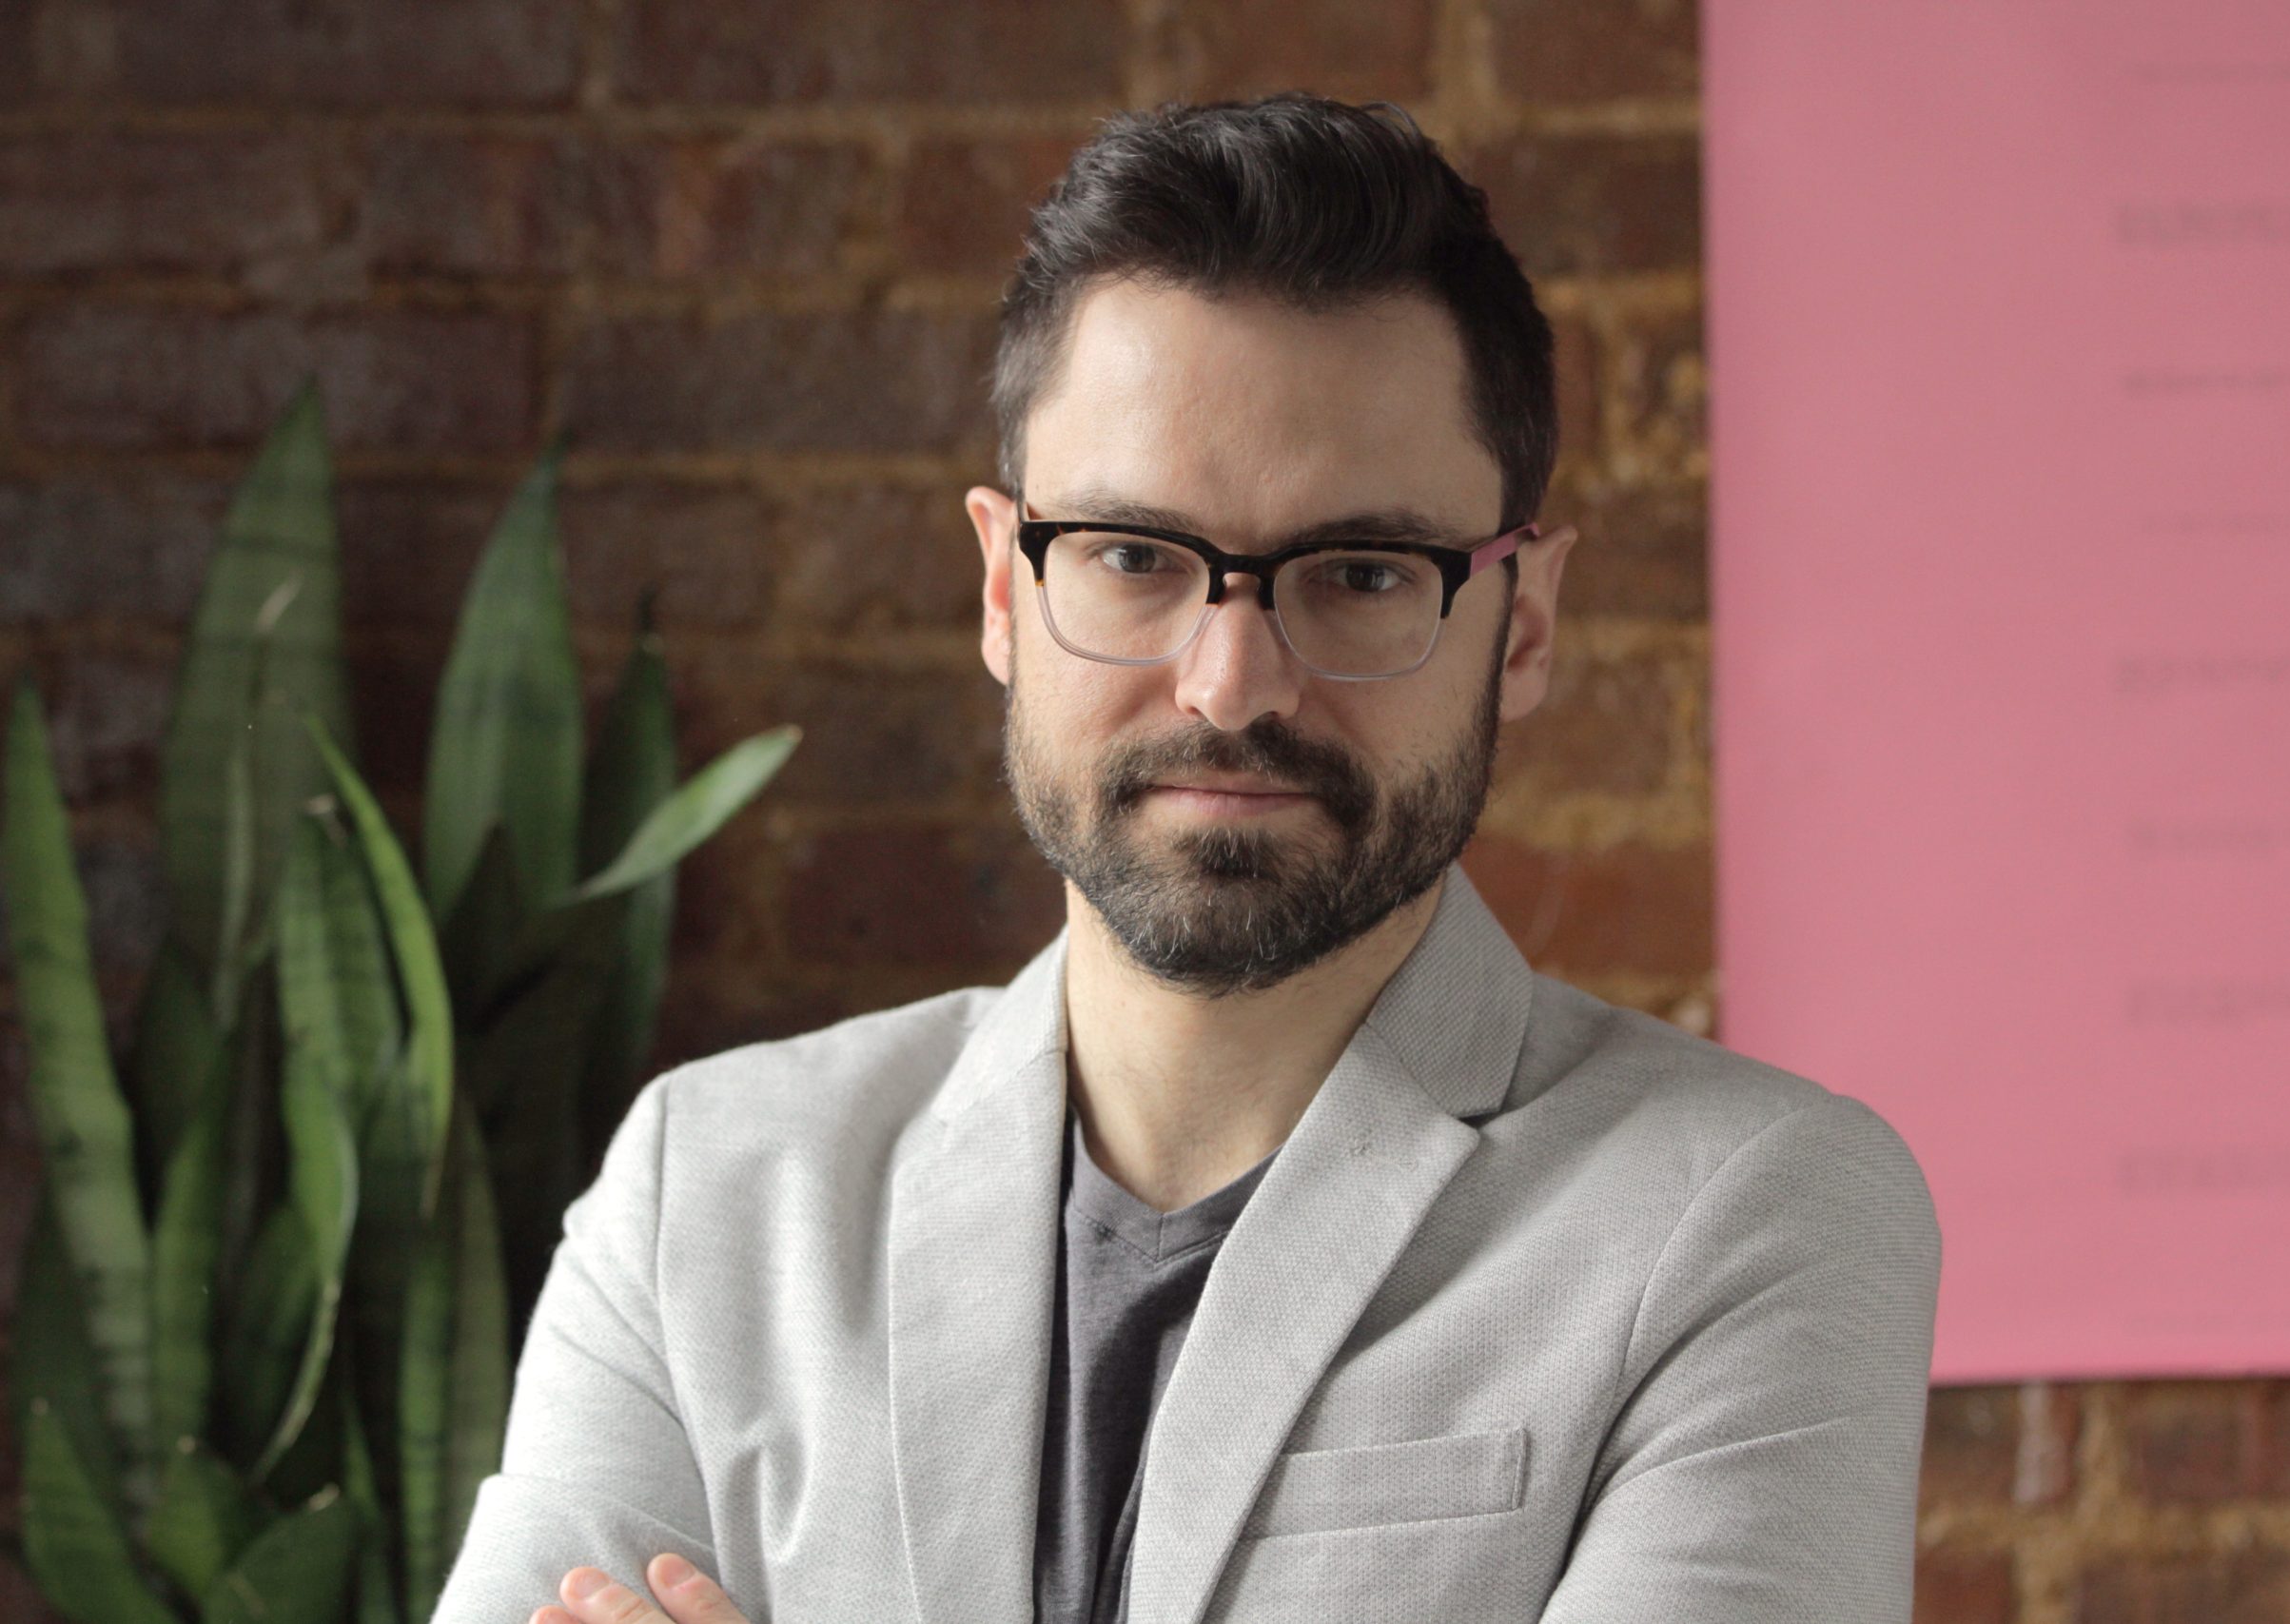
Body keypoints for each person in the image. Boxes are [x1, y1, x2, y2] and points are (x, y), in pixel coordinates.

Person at [435, 91, 1941, 1624]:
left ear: (1524, 624)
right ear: (1005, 592)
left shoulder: (1755, 1212)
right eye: (1134, 557)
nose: (1231, 685)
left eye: (1363, 572)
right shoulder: (706, 1192)